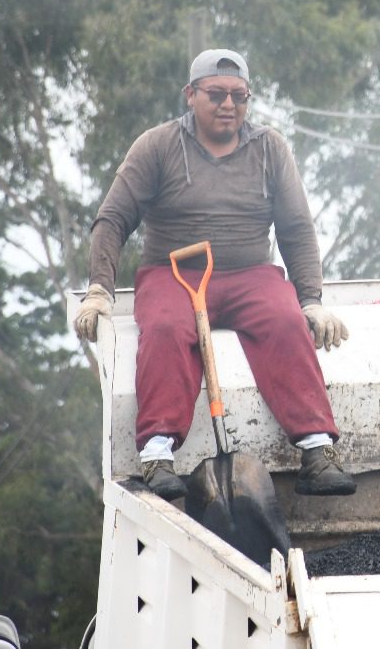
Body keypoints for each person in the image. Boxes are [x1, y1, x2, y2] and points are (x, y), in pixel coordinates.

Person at [73, 48, 357, 500]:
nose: (229, 104)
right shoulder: (157, 145)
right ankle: (157, 455)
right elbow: (112, 219)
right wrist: (98, 291)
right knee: (165, 328)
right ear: (191, 95)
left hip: (251, 274)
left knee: (286, 323)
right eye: (217, 94)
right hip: (174, 273)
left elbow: (296, 227)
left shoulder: (269, 147)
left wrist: (312, 300)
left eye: (239, 96)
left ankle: (317, 450)